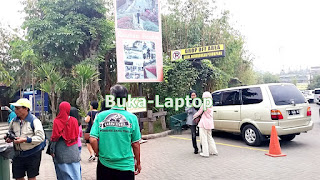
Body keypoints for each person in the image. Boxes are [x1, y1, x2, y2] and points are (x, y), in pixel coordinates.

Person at [90, 84, 141, 180]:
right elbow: (135, 144)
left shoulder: (101, 116)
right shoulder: (132, 118)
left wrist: (98, 153)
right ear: (126, 100)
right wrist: (138, 162)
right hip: (126, 166)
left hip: (104, 165)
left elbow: (92, 139)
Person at [5, 98, 45, 180]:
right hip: (18, 154)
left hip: (33, 153)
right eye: (15, 108)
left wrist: (25, 140)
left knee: (31, 177)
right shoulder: (14, 121)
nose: (15, 110)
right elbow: (10, 132)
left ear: (26, 109)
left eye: (18, 108)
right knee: (18, 177)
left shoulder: (34, 121)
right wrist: (9, 138)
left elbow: (41, 137)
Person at [50, 102, 81, 180]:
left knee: (62, 174)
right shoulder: (74, 120)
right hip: (73, 150)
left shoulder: (56, 121)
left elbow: (54, 137)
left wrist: (52, 150)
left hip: (61, 150)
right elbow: (77, 134)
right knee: (75, 172)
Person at [193, 91, 218, 157]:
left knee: (203, 139)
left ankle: (205, 153)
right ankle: (214, 151)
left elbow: (199, 112)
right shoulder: (211, 105)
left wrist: (194, 116)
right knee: (210, 137)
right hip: (210, 123)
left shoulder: (204, 104)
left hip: (203, 124)